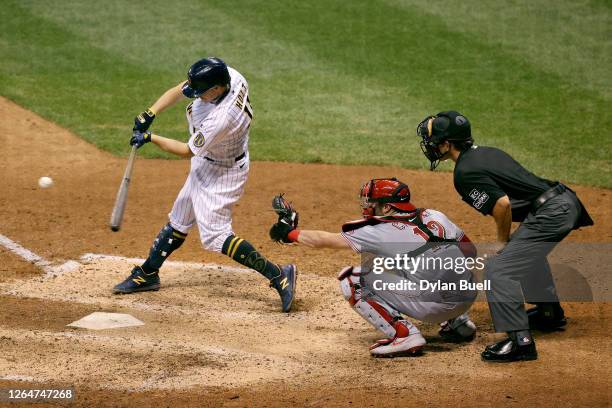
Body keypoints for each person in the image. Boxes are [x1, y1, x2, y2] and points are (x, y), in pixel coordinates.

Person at [112, 57, 297, 313]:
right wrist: (150, 112)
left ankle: (279, 274)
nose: (195, 96)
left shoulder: (222, 118)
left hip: (223, 172)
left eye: (200, 92)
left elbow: (187, 150)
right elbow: (181, 89)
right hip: (209, 159)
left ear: (216, 90)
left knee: (215, 236)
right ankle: (148, 273)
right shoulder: (229, 75)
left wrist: (149, 137)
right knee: (180, 217)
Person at [417, 111, 594, 362]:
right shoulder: (484, 152)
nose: (430, 145)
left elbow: (502, 205)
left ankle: (520, 343)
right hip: (563, 201)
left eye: (434, 140)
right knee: (521, 254)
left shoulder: (464, 172)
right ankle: (548, 314)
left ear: (447, 144)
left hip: (552, 212)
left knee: (499, 269)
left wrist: (501, 242)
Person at [269, 178, 479, 357]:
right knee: (421, 260)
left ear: (387, 207)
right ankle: (458, 324)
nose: (367, 207)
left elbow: (325, 241)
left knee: (353, 278)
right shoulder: (434, 215)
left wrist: (290, 233)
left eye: (372, 203)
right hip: (468, 296)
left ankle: (405, 336)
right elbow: (470, 252)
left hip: (435, 309)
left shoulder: (378, 231)